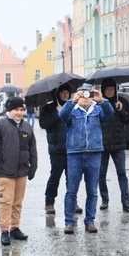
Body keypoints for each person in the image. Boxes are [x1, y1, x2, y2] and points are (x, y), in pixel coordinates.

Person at [59, 84, 114, 234]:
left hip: (94, 153)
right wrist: (72, 101)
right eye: (82, 94)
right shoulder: (73, 110)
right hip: (75, 154)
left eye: (87, 95)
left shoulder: (97, 110)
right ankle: (69, 222)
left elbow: (109, 113)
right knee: (71, 190)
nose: (85, 98)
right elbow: (62, 116)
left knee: (92, 191)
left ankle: (90, 221)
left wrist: (102, 100)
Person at [0, 97, 38, 246]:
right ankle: (4, 230)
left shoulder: (27, 127)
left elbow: (32, 149)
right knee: (5, 202)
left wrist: (33, 167)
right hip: (5, 172)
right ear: (9, 110)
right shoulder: (0, 125)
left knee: (17, 202)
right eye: (16, 110)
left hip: (21, 171)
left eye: (22, 110)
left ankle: (14, 228)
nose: (19, 113)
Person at [39, 84, 83, 215]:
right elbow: (43, 124)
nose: (65, 95)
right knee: (55, 176)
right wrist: (57, 114)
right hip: (56, 148)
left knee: (72, 178)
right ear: (58, 94)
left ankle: (73, 202)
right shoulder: (48, 108)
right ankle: (49, 202)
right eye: (62, 93)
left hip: (72, 148)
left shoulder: (74, 106)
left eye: (67, 92)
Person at [98, 78, 129, 211]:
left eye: (111, 89)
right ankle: (104, 200)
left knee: (122, 173)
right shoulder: (99, 103)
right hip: (102, 144)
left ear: (115, 90)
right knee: (101, 174)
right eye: (107, 90)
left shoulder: (122, 102)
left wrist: (121, 111)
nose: (109, 92)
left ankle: (126, 200)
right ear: (103, 90)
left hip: (118, 143)